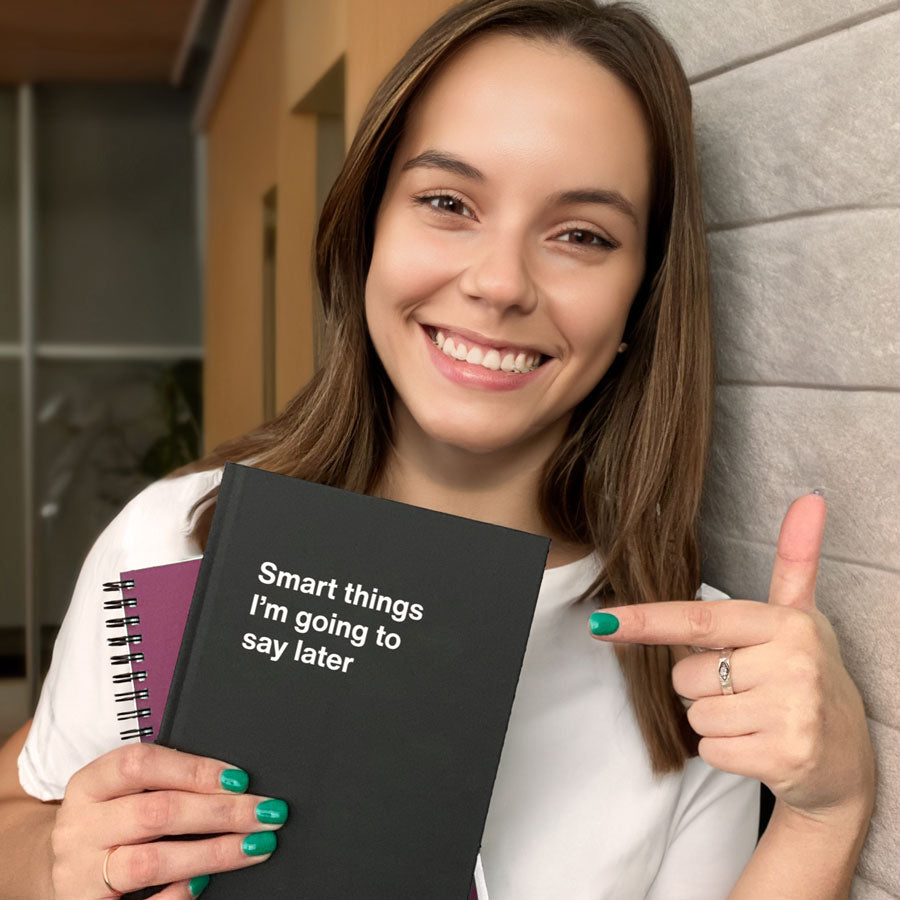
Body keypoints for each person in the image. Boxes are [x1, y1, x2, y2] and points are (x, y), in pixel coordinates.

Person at [0, 1, 875, 897]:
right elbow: (21, 808)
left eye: (582, 235)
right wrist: (59, 865)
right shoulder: (176, 540)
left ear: (638, 305)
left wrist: (826, 809)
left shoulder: (701, 665)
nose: (498, 284)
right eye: (447, 202)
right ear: (367, 230)